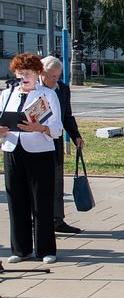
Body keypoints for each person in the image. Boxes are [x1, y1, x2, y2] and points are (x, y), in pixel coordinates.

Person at [1, 52, 63, 264]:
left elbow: (57, 129)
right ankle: (20, 249)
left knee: (41, 201)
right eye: (19, 73)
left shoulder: (47, 95)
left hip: (39, 152)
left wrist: (41, 127)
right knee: (16, 201)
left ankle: (46, 249)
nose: (23, 77)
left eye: (27, 73)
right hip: (12, 149)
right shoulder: (7, 94)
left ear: (38, 74)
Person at [40, 56, 84, 235]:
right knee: (38, 185)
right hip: (36, 145)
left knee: (57, 184)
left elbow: (67, 116)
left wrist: (76, 136)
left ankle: (57, 220)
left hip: (55, 144)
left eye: (57, 76)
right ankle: (37, 222)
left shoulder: (63, 89)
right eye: (51, 77)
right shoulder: (33, 90)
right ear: (41, 73)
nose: (55, 80)